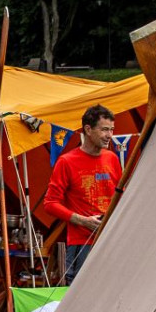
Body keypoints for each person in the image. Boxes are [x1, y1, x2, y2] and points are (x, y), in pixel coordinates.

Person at [42, 104, 123, 284]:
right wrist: (82, 220)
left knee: (113, 288)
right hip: (82, 242)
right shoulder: (67, 162)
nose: (109, 135)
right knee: (80, 292)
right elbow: (49, 203)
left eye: (111, 130)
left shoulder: (112, 158)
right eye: (104, 130)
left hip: (111, 238)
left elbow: (120, 197)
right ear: (88, 129)